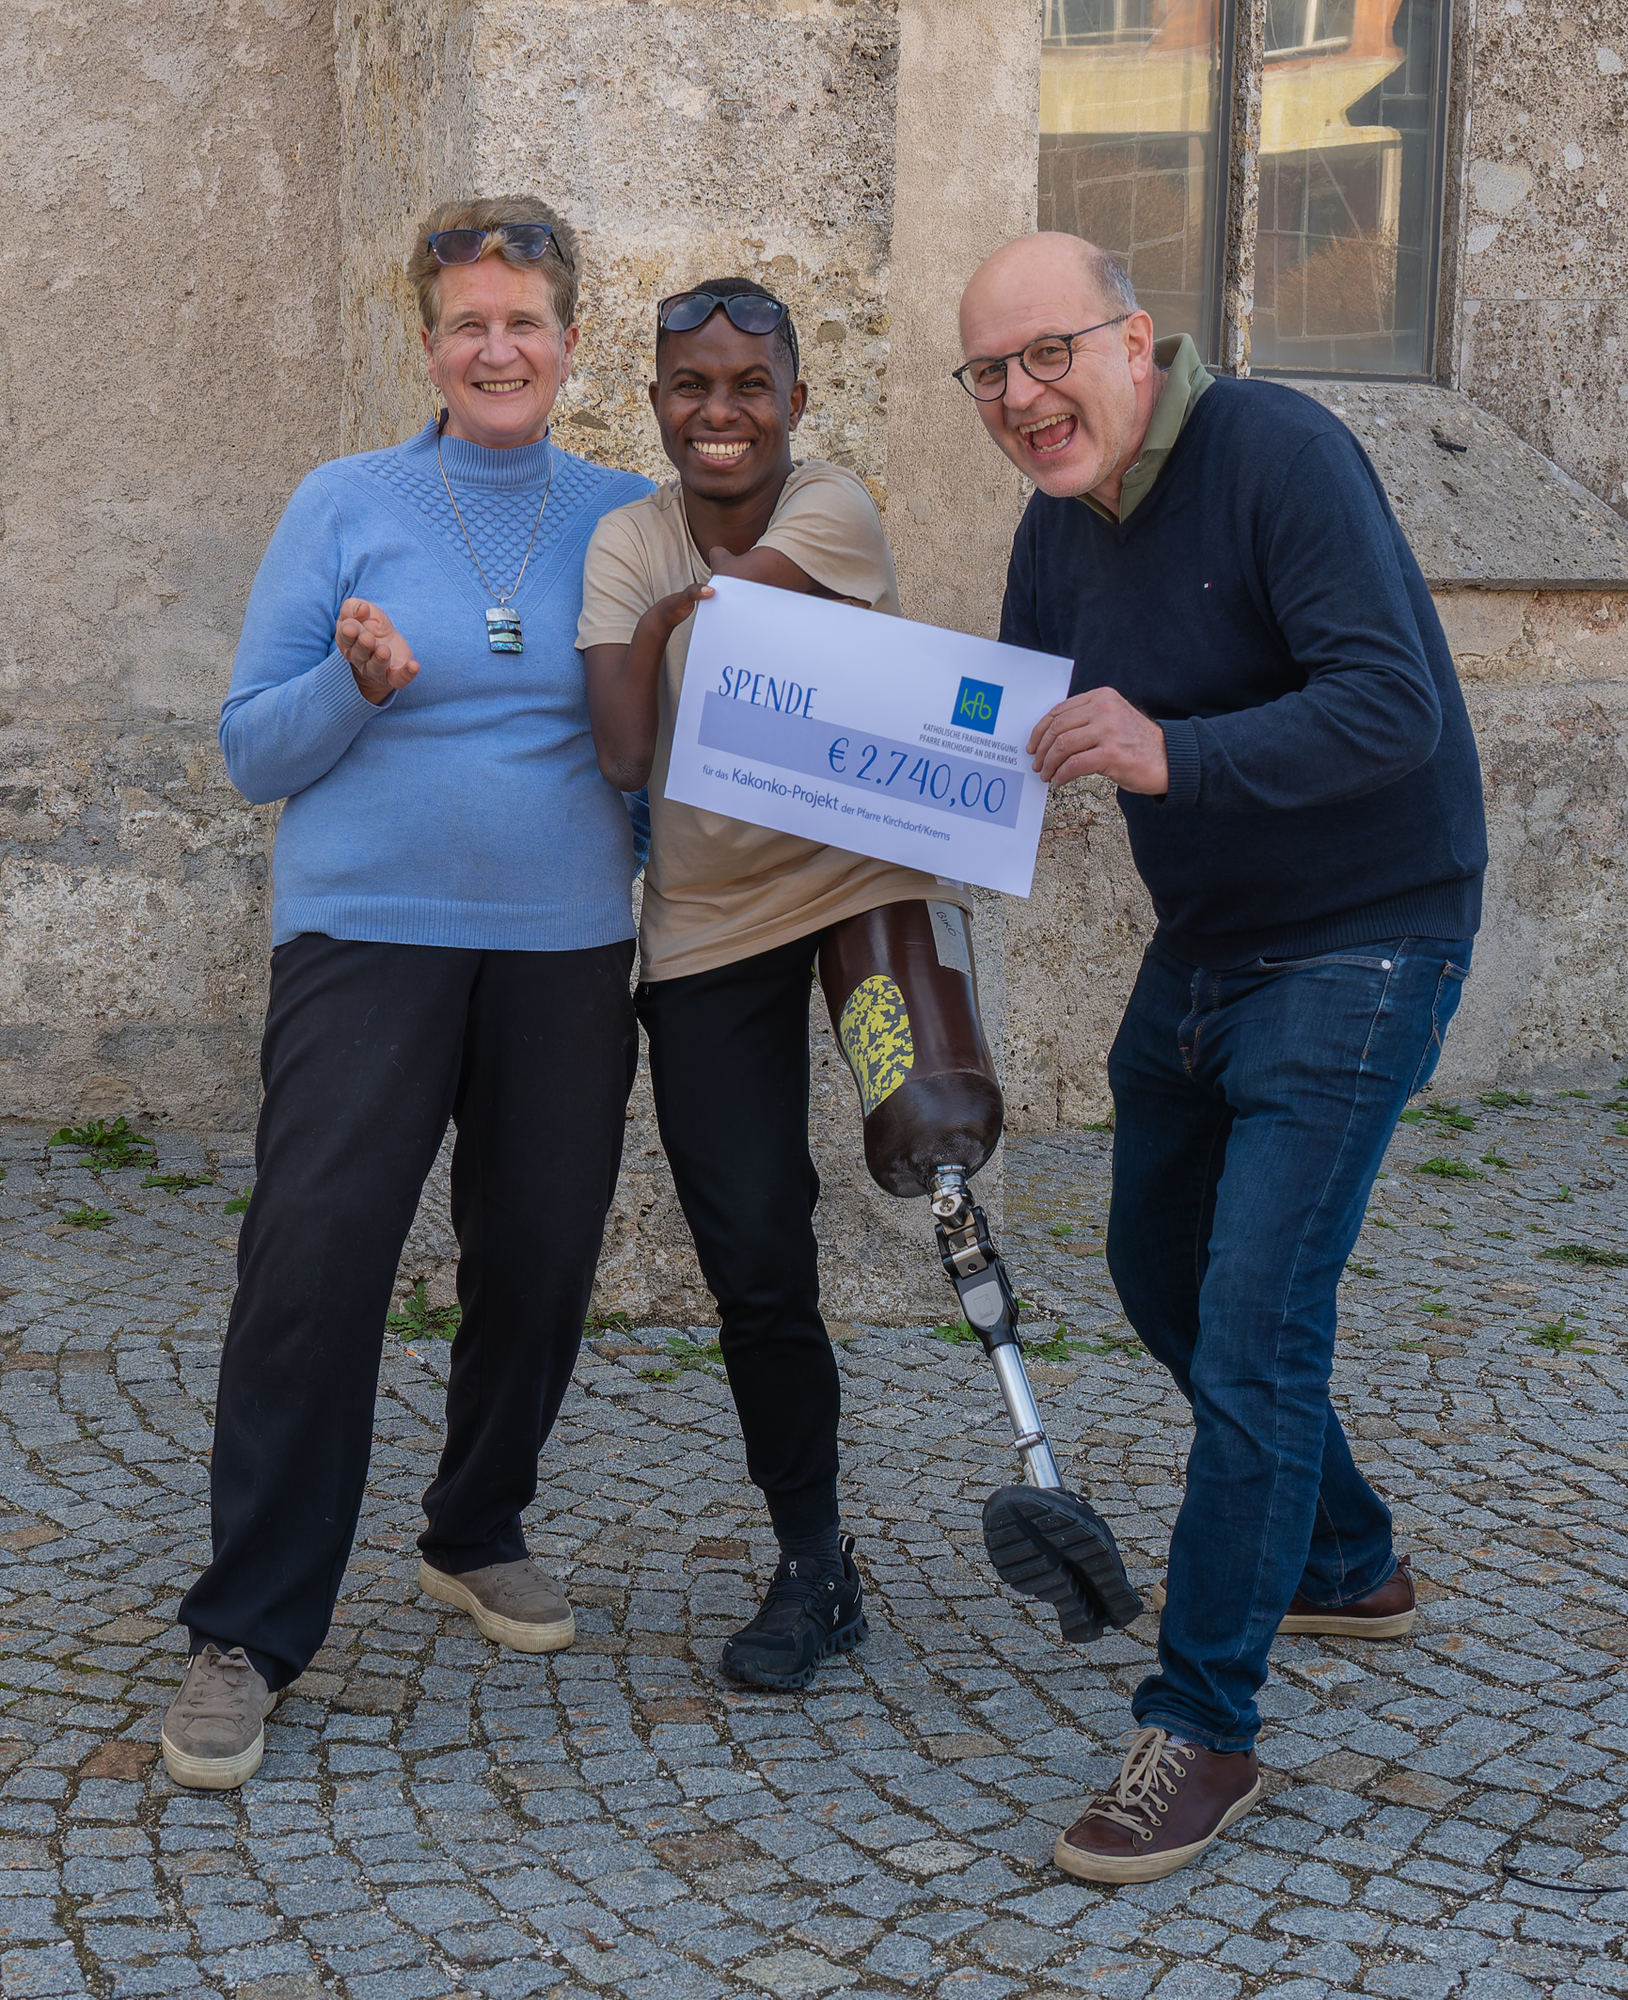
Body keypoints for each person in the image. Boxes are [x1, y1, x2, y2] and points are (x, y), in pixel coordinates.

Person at [957, 233, 1486, 1883]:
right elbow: (1007, 724)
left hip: (1371, 931)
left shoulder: (1279, 453)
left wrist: (1170, 752)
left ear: (1135, 340)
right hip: (1208, 947)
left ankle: (1201, 1727)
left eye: (1051, 356)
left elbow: (1392, 707)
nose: (1027, 399)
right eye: (992, 375)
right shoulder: (1057, 530)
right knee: (1154, 1269)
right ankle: (1344, 1552)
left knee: (1256, 1326)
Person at [162, 197, 652, 1790]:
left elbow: (668, 756)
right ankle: (247, 1627)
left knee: (539, 1252)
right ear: (427, 345)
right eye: (465, 324)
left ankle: (473, 1527)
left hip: (568, 940)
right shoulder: (344, 501)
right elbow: (253, 752)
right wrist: (352, 685)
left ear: (570, 343)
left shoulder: (633, 519)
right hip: (367, 931)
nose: (495, 348)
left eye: (522, 321)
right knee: (314, 1257)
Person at [578, 279, 977, 1690]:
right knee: (754, 1241)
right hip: (709, 915)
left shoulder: (836, 507)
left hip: (859, 882)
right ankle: (816, 1560)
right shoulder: (627, 534)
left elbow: (736, 626)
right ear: (657, 408)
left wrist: (668, 610)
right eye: (692, 386)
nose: (721, 411)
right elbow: (627, 754)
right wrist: (675, 607)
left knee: (938, 1124)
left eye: (750, 384)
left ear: (796, 403)